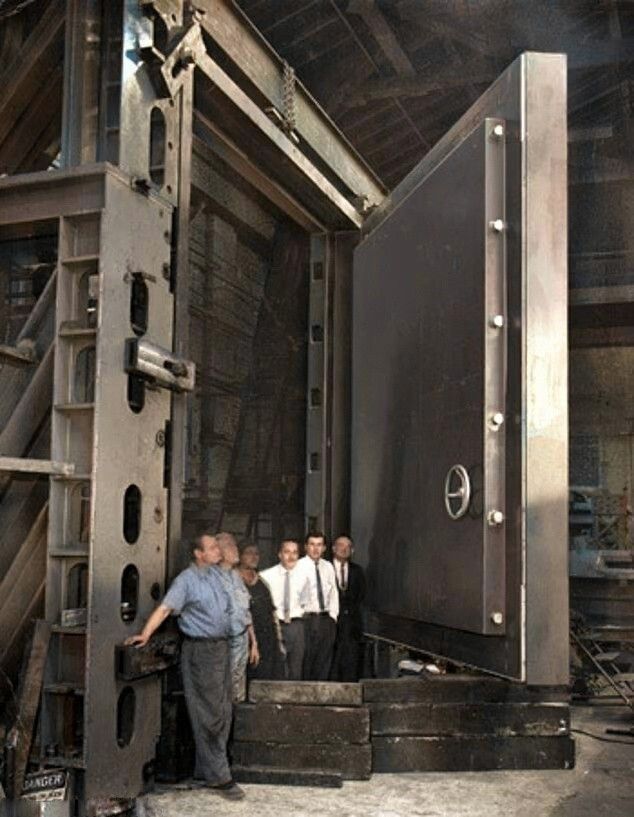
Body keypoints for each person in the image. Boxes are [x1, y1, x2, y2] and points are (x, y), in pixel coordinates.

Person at [124, 534, 244, 800]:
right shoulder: (186, 581)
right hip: (201, 651)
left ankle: (205, 770)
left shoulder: (216, 575)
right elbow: (165, 609)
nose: (218, 551)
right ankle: (219, 777)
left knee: (223, 711)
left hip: (221, 648)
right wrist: (145, 634)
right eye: (212, 548)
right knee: (210, 714)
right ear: (198, 554)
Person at [215, 531, 259, 702]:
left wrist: (253, 643)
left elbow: (245, 612)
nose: (235, 549)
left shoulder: (235, 576)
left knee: (238, 692)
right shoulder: (213, 578)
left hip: (241, 642)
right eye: (230, 546)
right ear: (220, 552)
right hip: (224, 642)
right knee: (222, 690)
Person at [260, 539, 308, 680]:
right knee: (276, 667)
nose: (291, 556)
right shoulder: (266, 576)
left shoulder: (304, 576)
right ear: (279, 554)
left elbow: (305, 602)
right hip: (275, 624)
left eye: (295, 552)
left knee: (296, 669)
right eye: (287, 552)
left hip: (296, 626)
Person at [238, 541, 285, 680]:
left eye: (256, 554)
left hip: (267, 638)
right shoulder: (234, 581)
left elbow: (272, 612)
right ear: (240, 556)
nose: (254, 557)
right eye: (249, 553)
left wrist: (279, 641)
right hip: (245, 638)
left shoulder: (263, 582)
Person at [296, 532, 338, 680]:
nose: (315, 549)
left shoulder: (328, 567)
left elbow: (334, 593)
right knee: (307, 661)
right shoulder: (298, 566)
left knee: (324, 661)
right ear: (306, 547)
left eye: (319, 545)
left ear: (324, 548)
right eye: (312, 544)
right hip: (307, 620)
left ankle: (320, 693)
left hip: (326, 621)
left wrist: (333, 617)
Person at [329, 535, 366, 681]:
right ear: (333, 548)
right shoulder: (326, 568)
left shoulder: (358, 571)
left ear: (352, 551)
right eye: (340, 545)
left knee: (351, 665)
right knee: (331, 665)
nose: (344, 549)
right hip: (331, 625)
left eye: (348, 547)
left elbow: (361, 595)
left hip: (352, 626)